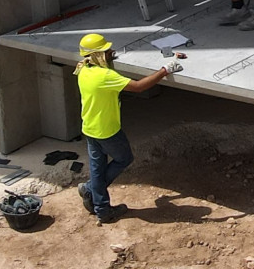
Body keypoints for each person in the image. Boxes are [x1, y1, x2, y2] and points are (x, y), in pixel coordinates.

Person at [75, 33, 180, 223]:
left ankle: (101, 206)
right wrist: (165, 70)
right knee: (124, 158)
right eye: (106, 51)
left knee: (97, 168)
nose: (110, 52)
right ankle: (92, 192)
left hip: (90, 128)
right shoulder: (105, 76)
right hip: (108, 130)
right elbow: (139, 86)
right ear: (98, 55)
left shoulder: (83, 70)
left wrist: (109, 59)